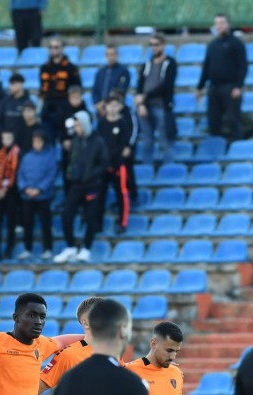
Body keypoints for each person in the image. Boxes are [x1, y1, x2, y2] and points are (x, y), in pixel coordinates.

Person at [54, 111, 107, 264]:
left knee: (90, 217)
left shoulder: (98, 141)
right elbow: (71, 159)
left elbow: (104, 163)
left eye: (77, 125)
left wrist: (90, 174)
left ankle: (86, 248)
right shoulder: (76, 140)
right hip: (76, 185)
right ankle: (70, 246)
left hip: (91, 185)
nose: (76, 128)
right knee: (66, 215)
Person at [196, 14, 248, 141]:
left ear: (228, 24)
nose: (219, 26)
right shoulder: (212, 45)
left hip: (230, 87)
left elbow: (243, 65)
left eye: (222, 23)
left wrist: (238, 86)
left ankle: (237, 145)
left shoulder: (236, 43)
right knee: (213, 121)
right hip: (214, 87)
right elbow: (207, 67)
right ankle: (219, 148)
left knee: (233, 119)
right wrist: (200, 87)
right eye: (217, 23)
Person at [97, 93, 138, 232]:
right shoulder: (101, 123)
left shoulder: (123, 124)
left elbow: (124, 145)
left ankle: (123, 222)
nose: (112, 108)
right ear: (106, 107)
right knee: (100, 195)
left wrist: (115, 158)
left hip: (118, 165)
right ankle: (97, 223)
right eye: (110, 105)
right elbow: (99, 144)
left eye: (115, 105)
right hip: (103, 166)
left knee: (121, 193)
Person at [135, 33, 178, 164]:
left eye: (156, 44)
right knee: (147, 142)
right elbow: (140, 86)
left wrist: (145, 96)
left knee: (165, 142)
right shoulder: (147, 64)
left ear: (163, 46)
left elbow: (166, 86)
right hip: (145, 107)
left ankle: (169, 172)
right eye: (151, 45)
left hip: (162, 107)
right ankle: (147, 171)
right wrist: (141, 104)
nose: (153, 47)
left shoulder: (170, 63)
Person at [17, 131, 57, 260]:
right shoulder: (27, 157)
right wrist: (25, 188)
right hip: (27, 196)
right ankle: (27, 249)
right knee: (27, 223)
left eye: (39, 141)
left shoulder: (49, 157)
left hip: (43, 196)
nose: (36, 144)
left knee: (45, 223)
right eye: (34, 141)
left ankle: (48, 249)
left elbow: (51, 174)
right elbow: (20, 174)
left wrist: (40, 189)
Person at [0, 129, 21, 261]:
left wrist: (6, 189)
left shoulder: (18, 153)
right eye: (4, 137)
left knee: (11, 222)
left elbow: (18, 174)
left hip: (11, 193)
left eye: (9, 137)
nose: (6, 140)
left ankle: (9, 248)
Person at [40, 38, 81, 141]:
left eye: (56, 47)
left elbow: (77, 88)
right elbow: (42, 90)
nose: (53, 50)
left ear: (62, 49)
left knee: (66, 140)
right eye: (51, 47)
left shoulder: (71, 68)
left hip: (65, 108)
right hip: (48, 109)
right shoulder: (44, 68)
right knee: (48, 139)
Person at [92, 46, 130, 118]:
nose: (110, 57)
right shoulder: (100, 72)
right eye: (108, 54)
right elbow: (95, 90)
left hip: (116, 109)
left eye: (112, 54)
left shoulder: (124, 71)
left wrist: (105, 103)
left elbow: (120, 90)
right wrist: (97, 103)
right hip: (100, 109)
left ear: (117, 55)